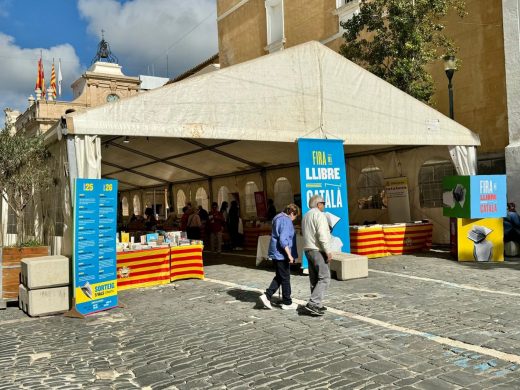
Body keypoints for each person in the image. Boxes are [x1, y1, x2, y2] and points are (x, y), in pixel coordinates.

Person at [258, 204, 300, 310]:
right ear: (291, 213)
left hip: (276, 253)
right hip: (281, 254)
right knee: (285, 277)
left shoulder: (277, 217)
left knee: (280, 276)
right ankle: (286, 302)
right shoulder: (286, 221)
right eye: (295, 216)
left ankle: (267, 296)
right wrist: (289, 255)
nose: (294, 219)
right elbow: (283, 240)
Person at [301, 195, 332, 316]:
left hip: (308, 249)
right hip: (317, 249)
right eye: (323, 203)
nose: (324, 205)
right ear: (318, 204)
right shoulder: (319, 215)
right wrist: (328, 250)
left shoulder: (306, 215)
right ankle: (313, 303)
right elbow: (322, 234)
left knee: (314, 279)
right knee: (324, 278)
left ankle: (316, 304)